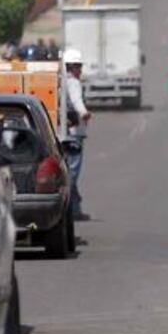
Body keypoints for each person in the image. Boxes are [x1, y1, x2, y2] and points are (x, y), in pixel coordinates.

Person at [63, 48, 92, 221]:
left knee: (69, 170)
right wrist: (84, 113)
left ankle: (74, 208)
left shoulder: (60, 81)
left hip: (66, 132)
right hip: (74, 134)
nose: (80, 70)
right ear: (71, 67)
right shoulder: (73, 82)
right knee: (72, 173)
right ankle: (69, 208)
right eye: (78, 66)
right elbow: (76, 100)